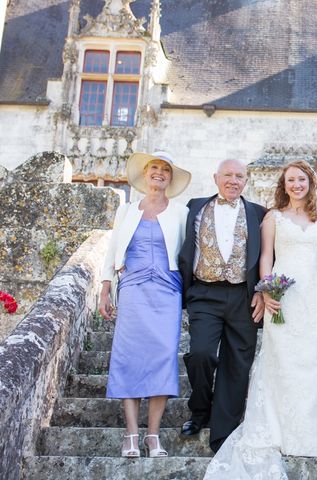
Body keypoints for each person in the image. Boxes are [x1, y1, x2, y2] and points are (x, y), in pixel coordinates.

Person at [204, 160, 317, 479]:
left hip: (313, 297)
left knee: (311, 360)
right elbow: (265, 256)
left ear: (311, 183)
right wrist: (267, 290)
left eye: (301, 179)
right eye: (290, 180)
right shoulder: (272, 218)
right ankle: (280, 429)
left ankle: (311, 430)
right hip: (281, 297)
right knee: (281, 359)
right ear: (283, 185)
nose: (296, 185)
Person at [99, 151, 191, 458]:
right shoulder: (126, 210)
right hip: (134, 288)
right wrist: (105, 287)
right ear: (145, 173)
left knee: (162, 358)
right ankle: (131, 435)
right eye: (155, 168)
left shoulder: (181, 213)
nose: (159, 173)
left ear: (170, 178)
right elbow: (113, 250)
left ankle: (153, 435)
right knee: (129, 357)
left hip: (167, 290)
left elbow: (188, 253)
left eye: (165, 169)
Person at [178, 159, 266, 453]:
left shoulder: (258, 213)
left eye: (239, 176)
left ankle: (223, 431)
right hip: (205, 293)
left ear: (246, 181)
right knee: (201, 353)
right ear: (216, 177)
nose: (233, 180)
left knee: (238, 364)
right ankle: (200, 409)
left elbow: (270, 255)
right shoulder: (194, 207)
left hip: (243, 296)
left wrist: (263, 291)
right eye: (227, 175)